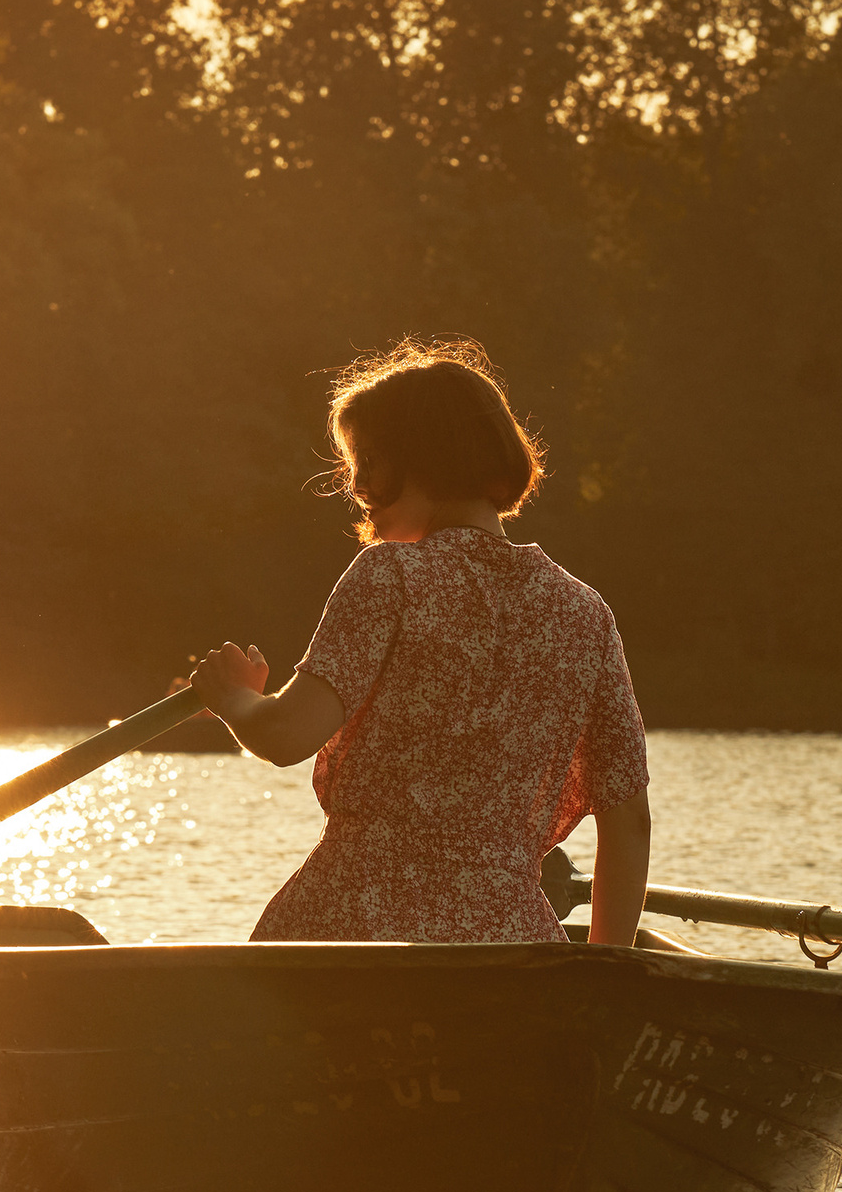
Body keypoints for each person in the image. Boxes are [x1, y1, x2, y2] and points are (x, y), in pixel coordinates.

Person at [186, 337, 653, 946]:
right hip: (512, 949)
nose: (355, 487)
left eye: (366, 462)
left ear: (421, 458)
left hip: (354, 933)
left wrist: (235, 697)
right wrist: (601, 978)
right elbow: (629, 822)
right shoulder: (585, 615)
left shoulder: (390, 577)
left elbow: (285, 735)